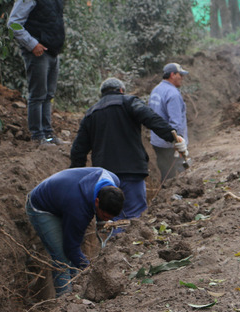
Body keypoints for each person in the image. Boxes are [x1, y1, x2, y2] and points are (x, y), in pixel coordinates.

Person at [69, 77, 185, 221]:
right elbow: (151, 118)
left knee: (108, 218)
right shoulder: (129, 102)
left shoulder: (91, 113)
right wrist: (172, 136)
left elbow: (78, 150)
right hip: (132, 170)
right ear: (121, 90)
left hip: (105, 176)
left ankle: (111, 236)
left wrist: (76, 180)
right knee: (134, 218)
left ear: (102, 93)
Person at [25, 167, 124, 296]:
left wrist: (101, 221)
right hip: (42, 207)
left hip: (63, 198)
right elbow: (71, 248)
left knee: (73, 252)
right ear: (97, 201)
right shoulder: (78, 208)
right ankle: (65, 300)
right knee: (62, 258)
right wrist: (90, 270)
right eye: (104, 216)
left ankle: (77, 289)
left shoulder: (113, 182)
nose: (106, 220)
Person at [7, 0, 66, 146]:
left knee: (48, 95)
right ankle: (38, 136)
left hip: (53, 52)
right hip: (37, 53)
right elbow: (13, 24)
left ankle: (48, 134)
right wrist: (32, 44)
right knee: (38, 95)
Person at [149, 63, 190, 186]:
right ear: (172, 75)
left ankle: (165, 195)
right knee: (178, 176)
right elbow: (175, 124)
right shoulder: (173, 94)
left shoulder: (156, 90)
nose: (182, 77)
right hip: (170, 145)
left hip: (157, 141)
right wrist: (179, 143)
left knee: (165, 174)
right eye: (180, 75)